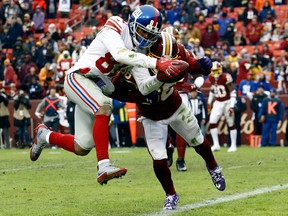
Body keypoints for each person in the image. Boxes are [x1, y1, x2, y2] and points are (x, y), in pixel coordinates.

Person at [30, 5, 188, 185]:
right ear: (134, 24)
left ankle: (45, 135)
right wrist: (157, 63)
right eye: (143, 33)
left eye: (150, 36)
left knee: (82, 146)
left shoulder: (139, 53)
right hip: (79, 77)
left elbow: (144, 86)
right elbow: (120, 55)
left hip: (94, 88)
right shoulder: (116, 25)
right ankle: (103, 165)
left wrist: (160, 78)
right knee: (104, 106)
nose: (145, 40)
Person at [111, 31, 225, 210]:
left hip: (174, 106)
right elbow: (118, 90)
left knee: (198, 140)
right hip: (151, 115)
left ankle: (213, 167)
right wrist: (137, 96)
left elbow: (192, 65)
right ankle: (171, 194)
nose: (168, 62)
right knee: (159, 157)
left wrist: (202, 66)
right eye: (163, 59)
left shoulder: (178, 50)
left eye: (172, 58)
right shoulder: (136, 61)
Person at [207, 61, 238, 152]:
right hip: (217, 102)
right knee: (212, 121)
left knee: (231, 123)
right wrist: (209, 102)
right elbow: (213, 90)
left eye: (216, 70)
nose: (215, 72)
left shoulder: (226, 77)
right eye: (213, 70)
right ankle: (216, 144)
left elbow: (233, 92)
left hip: (227, 102)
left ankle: (233, 145)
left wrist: (232, 106)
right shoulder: (211, 77)